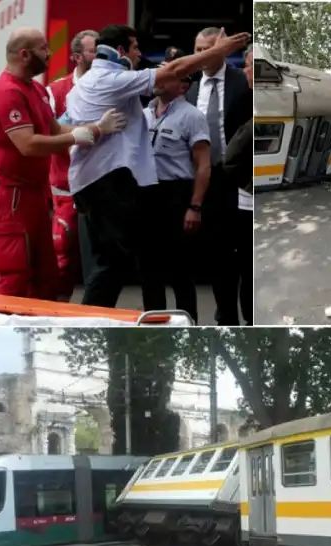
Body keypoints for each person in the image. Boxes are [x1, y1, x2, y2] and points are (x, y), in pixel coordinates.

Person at [65, 24, 249, 309]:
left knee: (138, 262)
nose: (140, 54)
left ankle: (156, 320)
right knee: (117, 265)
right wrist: (219, 50)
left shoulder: (85, 84)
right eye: (136, 47)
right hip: (111, 185)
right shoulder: (114, 79)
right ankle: (96, 323)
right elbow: (171, 70)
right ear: (121, 51)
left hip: (131, 188)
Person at [0, 28, 125, 300]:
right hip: (9, 195)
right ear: (25, 54)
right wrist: (78, 136)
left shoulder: (35, 89)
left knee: (46, 276)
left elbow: (54, 128)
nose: (49, 53)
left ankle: (38, 338)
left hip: (34, 194)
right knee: (14, 275)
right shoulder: (7, 92)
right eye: (43, 48)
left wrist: (96, 128)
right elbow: (28, 144)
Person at [186, 27, 253, 325]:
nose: (201, 55)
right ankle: (226, 317)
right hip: (206, 183)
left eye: (208, 49)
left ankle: (252, 316)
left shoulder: (245, 82)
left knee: (248, 257)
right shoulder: (188, 89)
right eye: (198, 49)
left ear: (223, 49)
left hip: (241, 183)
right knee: (219, 257)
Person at [141, 47, 212, 323]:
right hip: (147, 197)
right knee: (149, 270)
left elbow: (203, 165)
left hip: (176, 197)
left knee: (179, 271)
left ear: (183, 85)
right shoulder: (144, 113)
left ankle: (188, 326)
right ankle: (153, 326)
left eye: (168, 74)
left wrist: (195, 206)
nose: (159, 78)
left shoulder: (191, 116)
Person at [47, 29, 99, 301]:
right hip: (66, 187)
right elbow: (45, 136)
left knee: (99, 259)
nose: (99, 56)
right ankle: (59, 312)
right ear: (76, 57)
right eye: (94, 51)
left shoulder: (111, 86)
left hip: (99, 184)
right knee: (63, 258)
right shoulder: (55, 91)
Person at [222, 43, 255, 326]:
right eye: (246, 65)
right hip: (245, 200)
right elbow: (230, 158)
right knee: (247, 266)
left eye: (251, 65)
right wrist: (249, 184)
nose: (246, 71)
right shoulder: (242, 101)